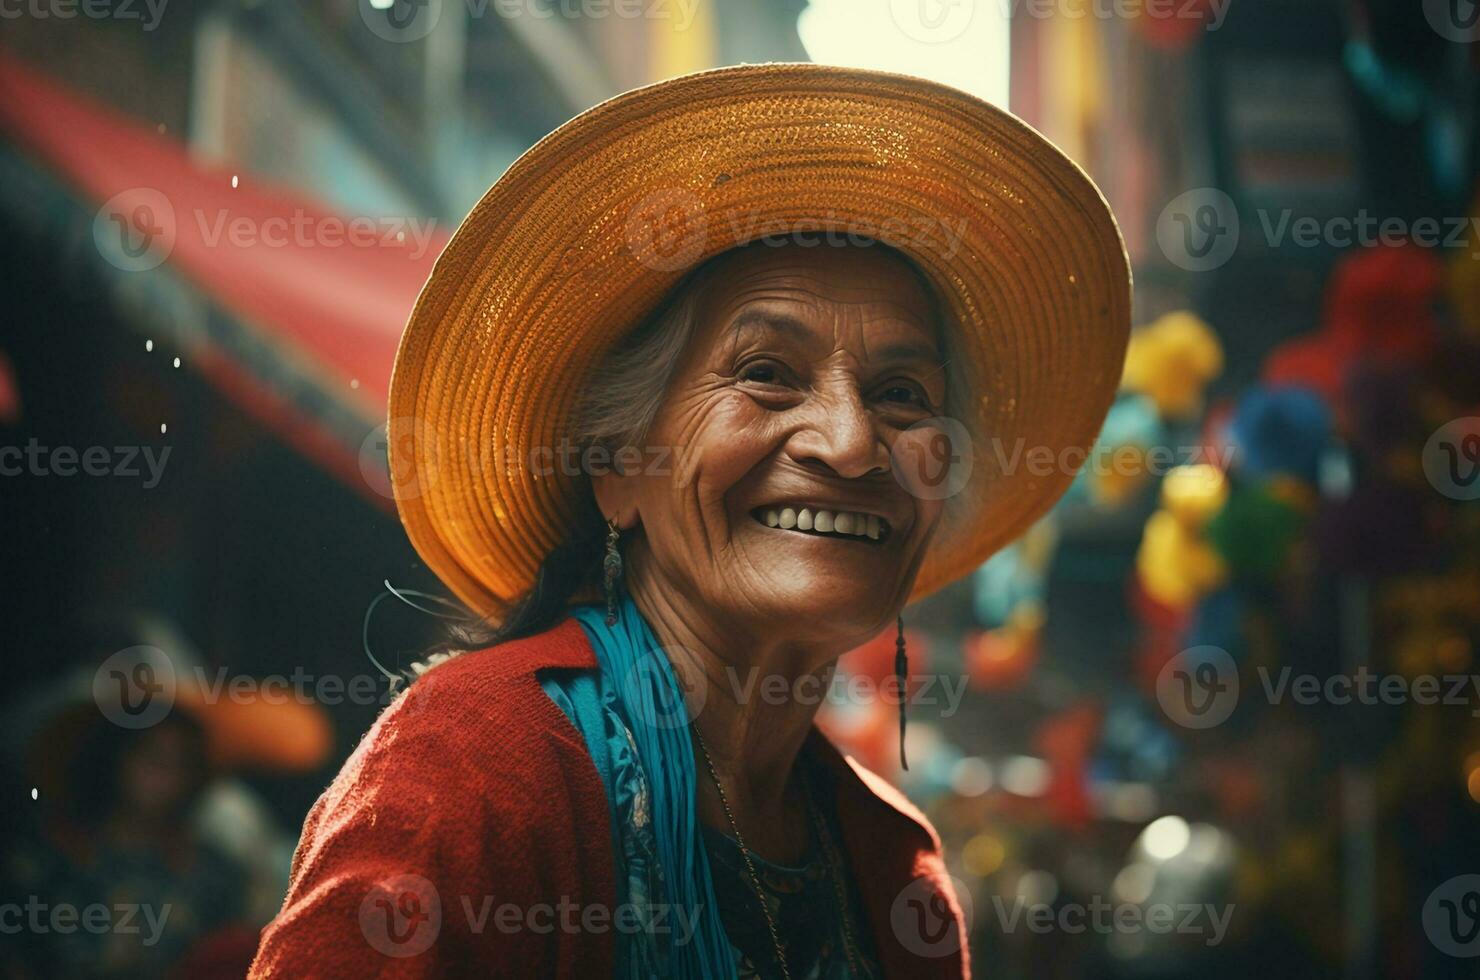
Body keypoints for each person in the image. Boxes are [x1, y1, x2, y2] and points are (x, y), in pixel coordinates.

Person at [251, 63, 1130, 978]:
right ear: (618, 467)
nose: (851, 442)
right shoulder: (478, 767)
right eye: (766, 373)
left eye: (902, 394)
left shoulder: (889, 865)